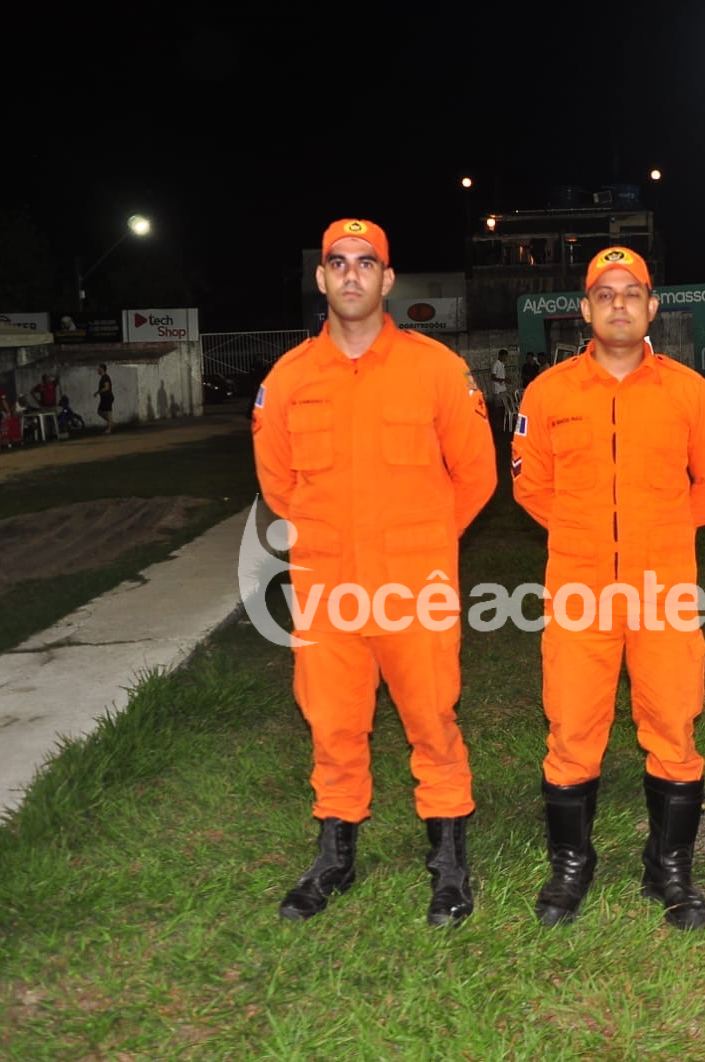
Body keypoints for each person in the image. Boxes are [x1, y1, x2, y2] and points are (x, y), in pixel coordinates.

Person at [254, 218, 497, 927]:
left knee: (432, 720)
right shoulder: (289, 378)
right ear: (321, 278)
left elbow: (476, 474)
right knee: (331, 724)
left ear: (388, 279)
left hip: (414, 587)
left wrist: (423, 542)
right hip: (326, 588)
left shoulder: (435, 369)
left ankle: (448, 865)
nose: (352, 274)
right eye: (339, 262)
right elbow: (278, 484)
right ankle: (335, 857)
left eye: (367, 262)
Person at [512, 245, 705, 930]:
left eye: (631, 292)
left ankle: (668, 868)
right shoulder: (548, 393)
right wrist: (586, 538)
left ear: (652, 306)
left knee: (673, 725)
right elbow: (531, 485)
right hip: (578, 591)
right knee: (572, 727)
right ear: (585, 309)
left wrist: (660, 535)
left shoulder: (690, 393)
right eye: (604, 294)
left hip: (663, 589)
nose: (618, 304)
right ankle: (570, 866)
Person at [94, 364, 115, 433]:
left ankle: (109, 429)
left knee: (108, 412)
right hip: (104, 398)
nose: (98, 370)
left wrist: (98, 392)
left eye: (99, 369)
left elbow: (107, 387)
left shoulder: (105, 377)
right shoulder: (103, 377)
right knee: (99, 411)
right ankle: (111, 423)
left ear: (102, 369)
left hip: (107, 397)